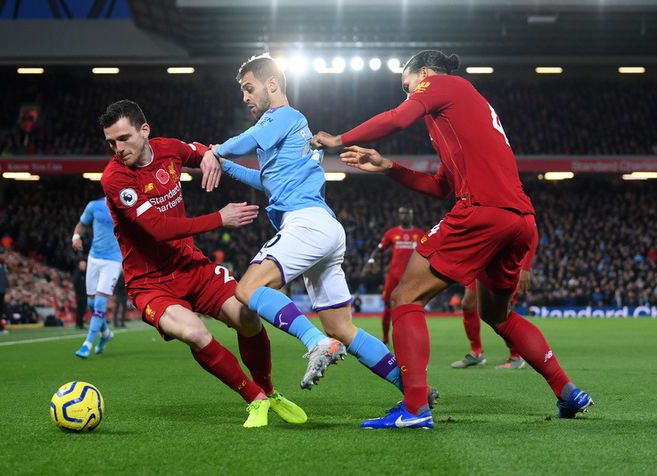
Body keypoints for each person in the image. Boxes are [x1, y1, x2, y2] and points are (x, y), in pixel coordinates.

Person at [313, 50, 593, 429]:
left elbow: (397, 119)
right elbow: (439, 186)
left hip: (481, 211)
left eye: (407, 85)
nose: (409, 94)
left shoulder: (445, 84)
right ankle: (566, 390)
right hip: (519, 219)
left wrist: (338, 138)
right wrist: (388, 167)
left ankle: (414, 409)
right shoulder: (460, 118)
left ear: (425, 74)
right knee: (498, 313)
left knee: (404, 298)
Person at [98, 99, 306, 428]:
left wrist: (211, 154)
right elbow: (157, 229)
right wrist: (219, 219)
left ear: (144, 130)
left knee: (248, 317)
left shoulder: (168, 149)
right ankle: (255, 399)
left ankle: (269, 392)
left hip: (192, 267)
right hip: (150, 283)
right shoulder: (114, 178)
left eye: (123, 138)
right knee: (194, 332)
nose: (117, 148)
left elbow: (202, 151)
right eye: (111, 142)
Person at [212, 54, 406, 396]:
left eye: (249, 88)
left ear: (272, 84)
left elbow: (246, 142)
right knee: (342, 327)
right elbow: (267, 181)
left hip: (305, 225)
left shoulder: (283, 116)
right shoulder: (290, 128)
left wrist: (216, 151)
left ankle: (316, 342)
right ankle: (412, 389)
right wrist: (224, 164)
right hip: (325, 229)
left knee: (247, 290)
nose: (244, 97)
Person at [452, 227, 538, 370]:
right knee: (468, 304)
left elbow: (532, 232)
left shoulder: (514, 206)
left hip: (505, 261)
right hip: (482, 260)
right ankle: (477, 352)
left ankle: (516, 356)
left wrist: (525, 268)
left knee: (502, 312)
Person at [72, 196, 123, 358]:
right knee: (92, 303)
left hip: (113, 260)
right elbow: (82, 224)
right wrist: (76, 237)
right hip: (94, 258)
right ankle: (106, 334)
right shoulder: (94, 206)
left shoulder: (126, 205)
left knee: (100, 302)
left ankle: (87, 344)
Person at [363, 206, 423, 344]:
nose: (404, 216)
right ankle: (385, 337)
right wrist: (371, 260)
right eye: (402, 213)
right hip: (393, 277)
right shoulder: (392, 233)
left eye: (407, 213)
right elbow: (379, 249)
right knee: (388, 306)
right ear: (398, 215)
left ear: (412, 215)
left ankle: (409, 337)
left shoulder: (419, 234)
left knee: (411, 308)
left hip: (411, 278)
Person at [72, 256, 88, 330]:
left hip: (84, 295)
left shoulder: (84, 273)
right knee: (80, 309)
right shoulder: (77, 274)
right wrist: (80, 292)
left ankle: (81, 323)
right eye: (83, 265)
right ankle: (78, 324)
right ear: (79, 266)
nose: (84, 267)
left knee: (83, 309)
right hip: (80, 295)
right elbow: (76, 284)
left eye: (85, 265)